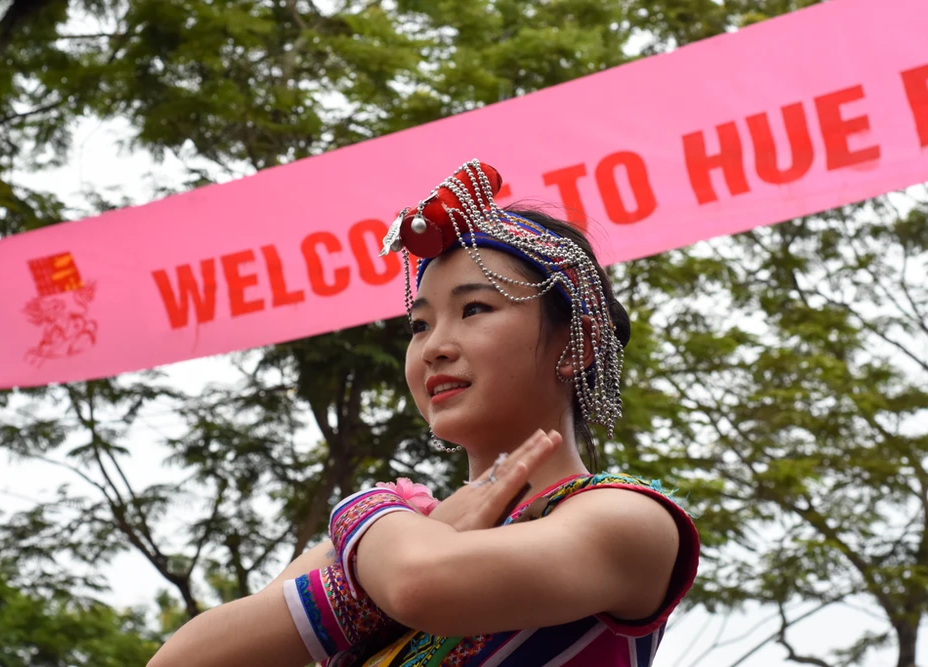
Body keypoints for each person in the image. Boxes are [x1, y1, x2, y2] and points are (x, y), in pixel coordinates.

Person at [148, 161, 700, 667]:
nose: (434, 346)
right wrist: (392, 544)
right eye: (419, 325)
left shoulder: (628, 520)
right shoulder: (398, 533)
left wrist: (362, 509)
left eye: (474, 308)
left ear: (577, 345)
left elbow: (419, 583)